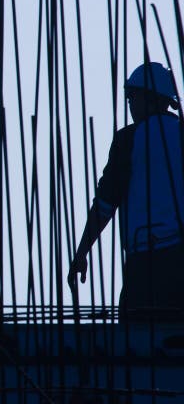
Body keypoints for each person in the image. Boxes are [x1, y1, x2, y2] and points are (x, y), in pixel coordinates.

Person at [68, 62, 184, 320]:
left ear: (150, 98)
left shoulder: (129, 139)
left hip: (146, 264)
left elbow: (105, 203)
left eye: (133, 97)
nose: (130, 104)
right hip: (180, 261)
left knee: (136, 339)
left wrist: (82, 251)